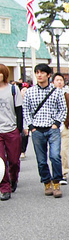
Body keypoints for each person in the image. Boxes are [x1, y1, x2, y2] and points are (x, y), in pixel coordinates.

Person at [23, 63, 67, 198]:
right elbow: (26, 110)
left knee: (55, 156)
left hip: (52, 128)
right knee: (41, 160)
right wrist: (31, 127)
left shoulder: (57, 91)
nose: (39, 75)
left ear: (49, 75)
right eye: (37, 72)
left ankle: (56, 183)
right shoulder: (30, 92)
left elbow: (63, 109)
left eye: (42, 72)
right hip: (37, 129)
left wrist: (56, 123)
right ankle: (46, 182)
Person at [0, 64, 23, 200]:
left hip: (11, 128)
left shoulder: (13, 89)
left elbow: (19, 110)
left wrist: (19, 129)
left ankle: (13, 178)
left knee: (14, 160)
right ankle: (4, 187)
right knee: (1, 161)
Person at [52, 73, 69, 184]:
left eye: (61, 80)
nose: (59, 82)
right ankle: (55, 172)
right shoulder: (49, 95)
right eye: (57, 80)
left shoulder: (68, 96)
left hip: (64, 127)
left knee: (63, 151)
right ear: (53, 82)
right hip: (52, 127)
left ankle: (64, 173)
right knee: (54, 152)